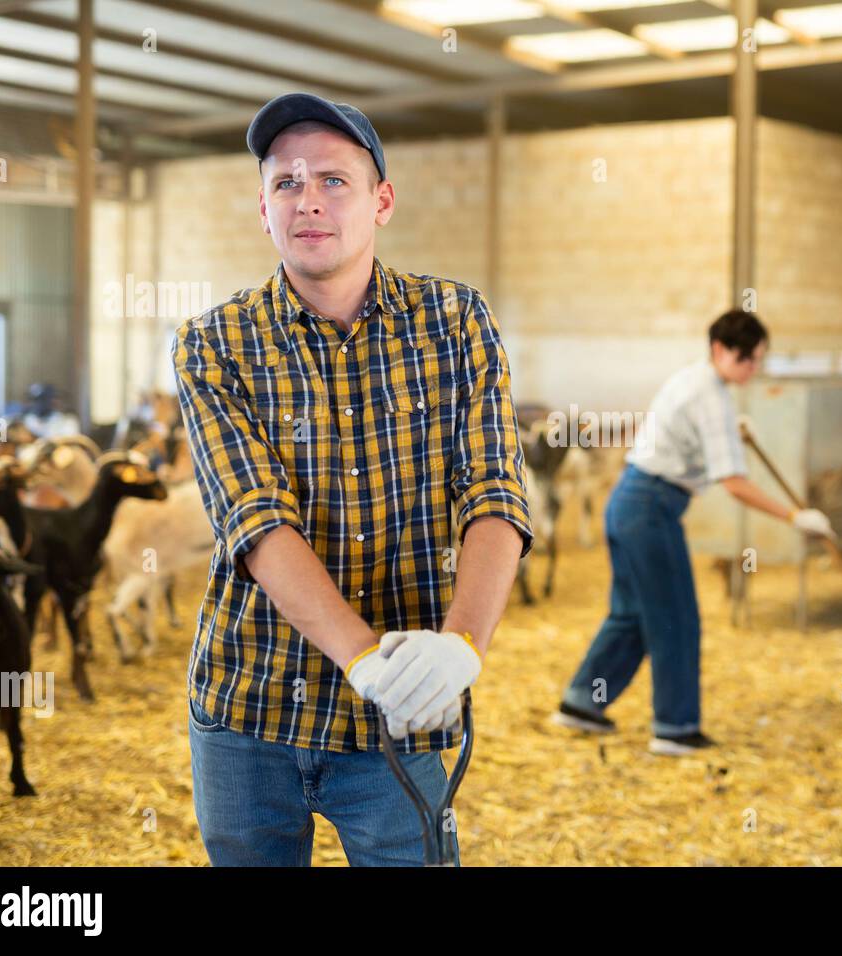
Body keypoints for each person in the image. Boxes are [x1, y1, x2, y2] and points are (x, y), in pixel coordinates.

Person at [172, 93, 532, 866]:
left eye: (334, 180)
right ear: (262, 209)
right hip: (250, 707)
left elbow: (494, 491)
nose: (308, 201)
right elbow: (257, 522)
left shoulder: (455, 321)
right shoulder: (214, 344)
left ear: (382, 201)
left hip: (401, 719)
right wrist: (363, 658)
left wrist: (464, 643)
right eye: (286, 183)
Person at [553, 311, 835, 756]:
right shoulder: (713, 397)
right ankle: (675, 726)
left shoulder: (693, 381)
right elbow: (734, 484)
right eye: (747, 360)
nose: (752, 370)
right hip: (651, 509)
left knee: (632, 615)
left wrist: (729, 433)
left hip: (628, 502)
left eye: (758, 361)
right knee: (676, 619)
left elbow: (684, 438)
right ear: (721, 350)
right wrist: (794, 517)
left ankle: (583, 702)